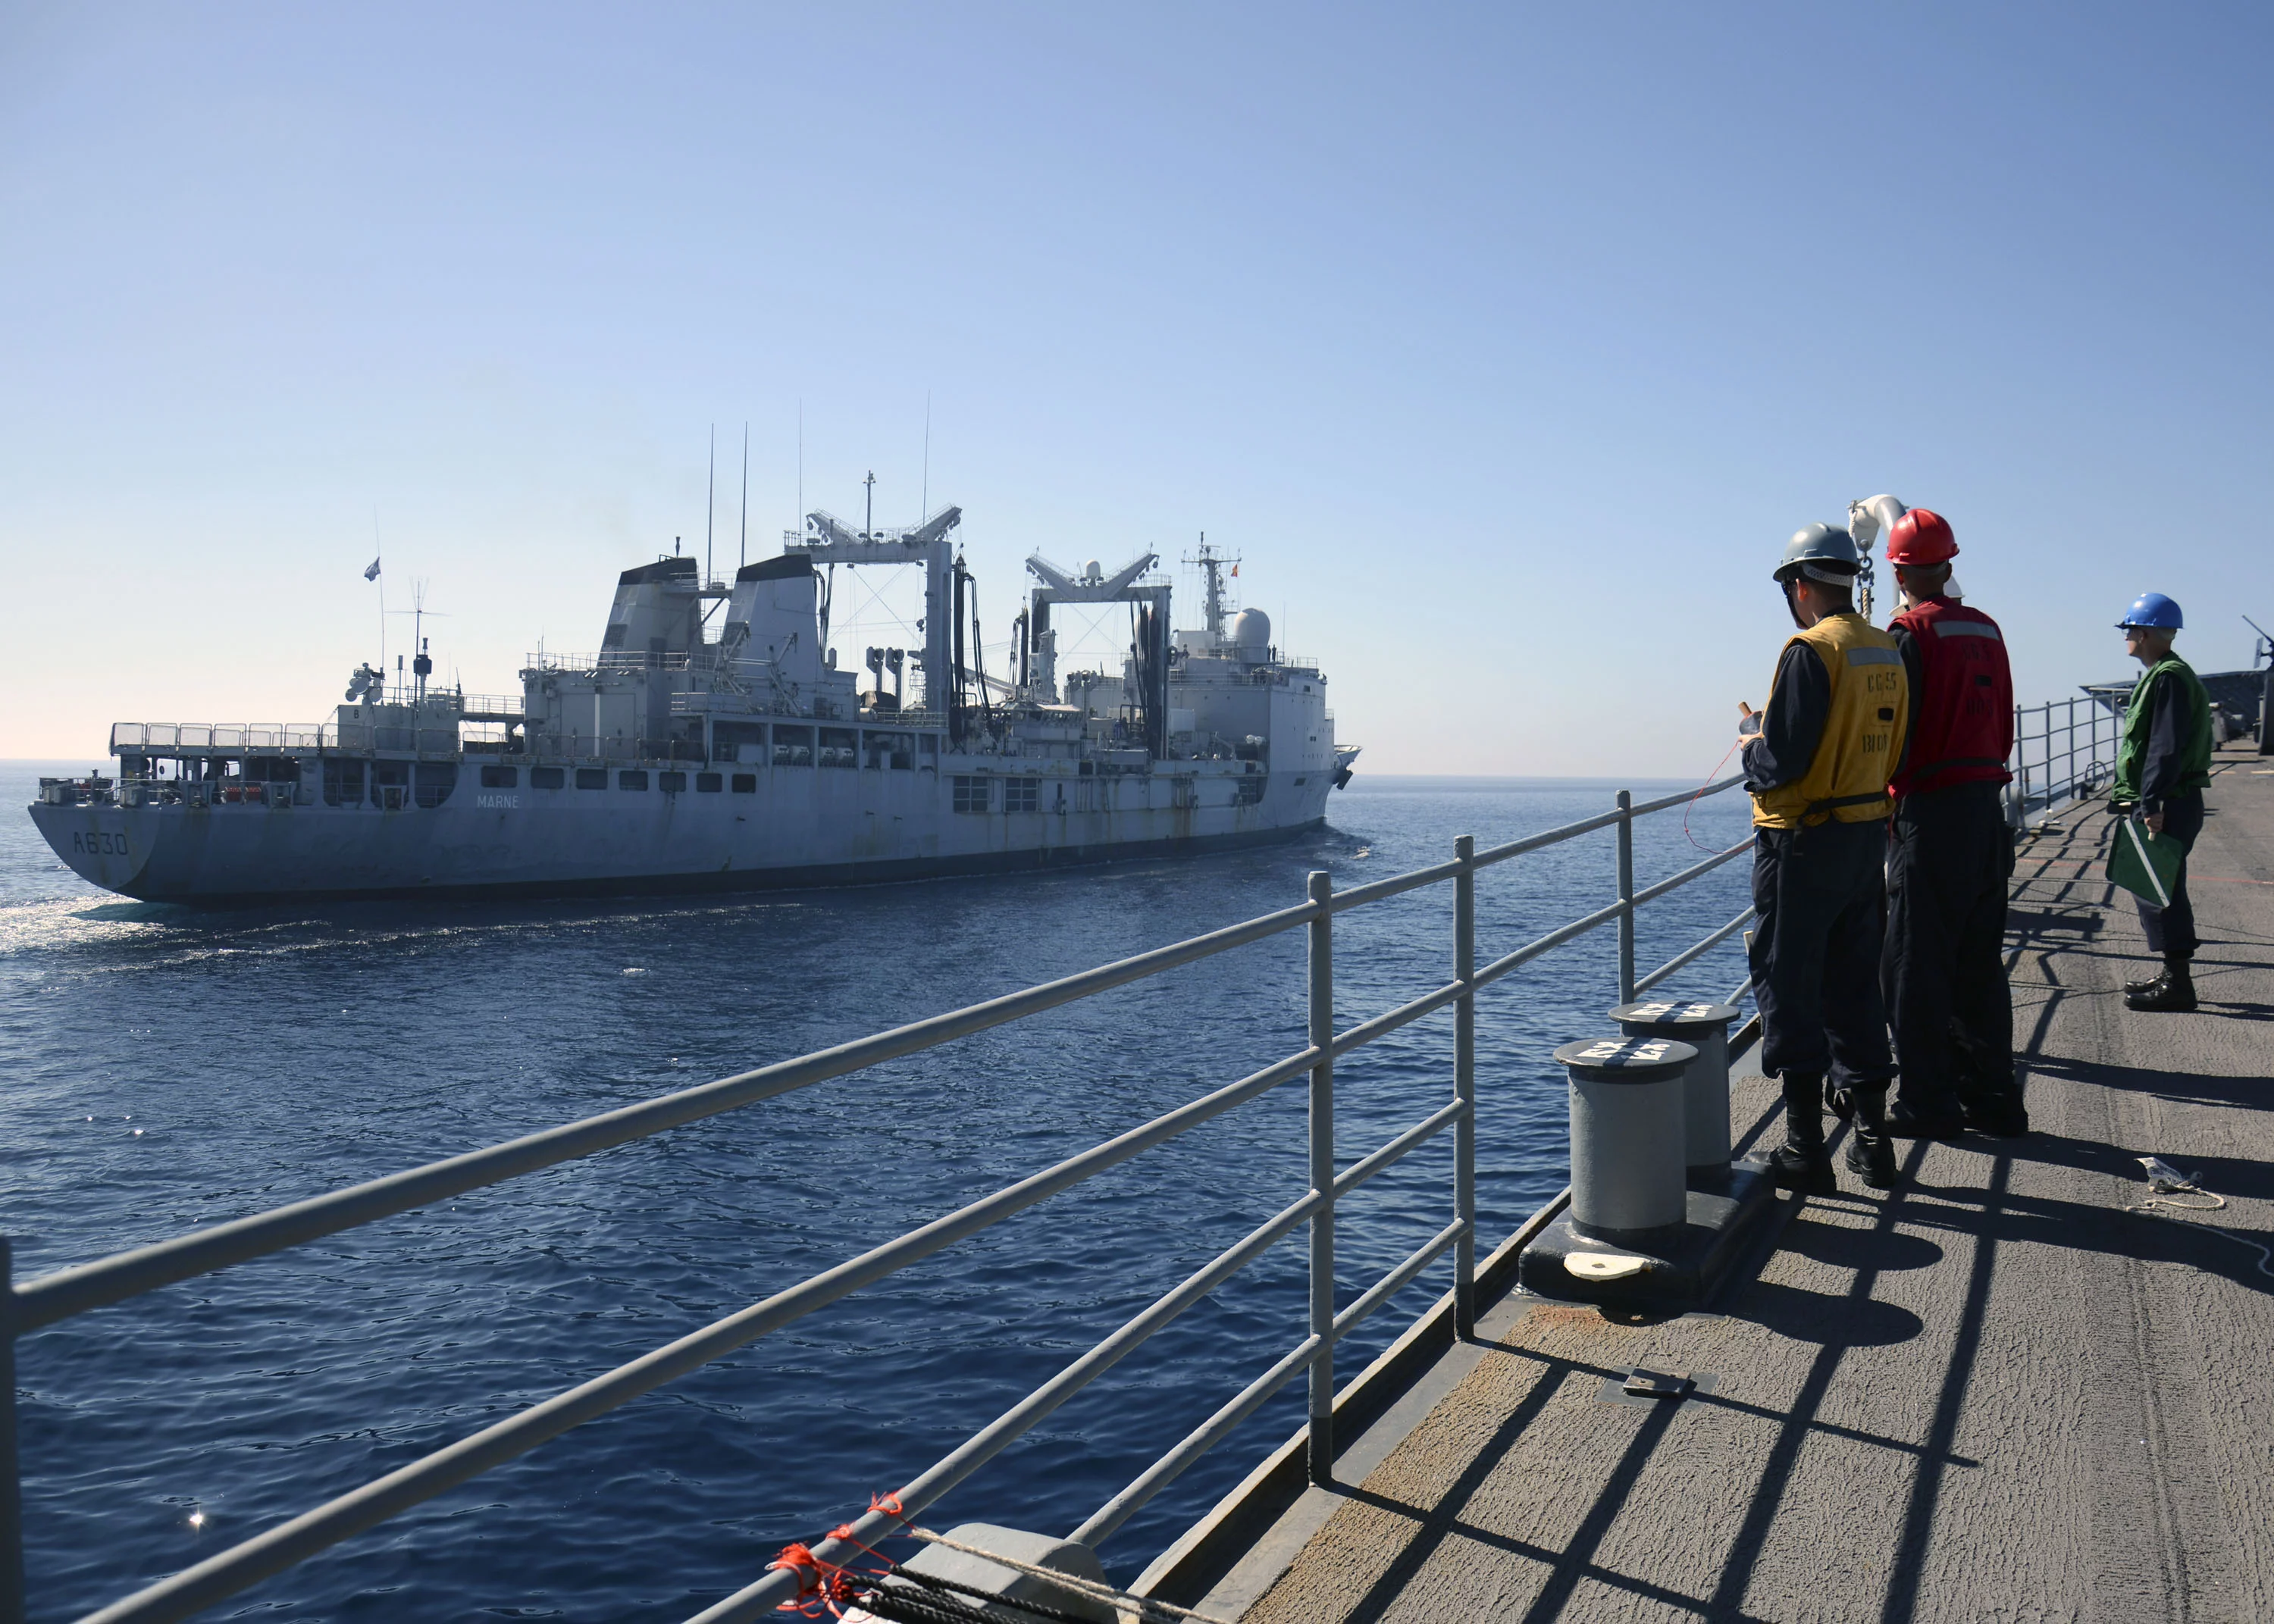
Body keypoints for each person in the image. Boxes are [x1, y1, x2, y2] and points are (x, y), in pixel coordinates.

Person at [1743, 523, 1911, 1191]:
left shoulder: (1811, 651)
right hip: (1864, 837)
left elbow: (1782, 758)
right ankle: (1873, 1144)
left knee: (1791, 984)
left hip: (1802, 841)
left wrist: (1754, 743)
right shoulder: (1885, 649)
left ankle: (1805, 1149)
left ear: (1800, 585)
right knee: (1855, 985)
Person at [1878, 508, 2026, 1137]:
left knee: (1913, 963)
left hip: (1931, 814)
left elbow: (1893, 733)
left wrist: (1885, 801)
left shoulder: (1909, 633)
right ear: (1949, 562)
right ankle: (1993, 1100)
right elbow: (2005, 721)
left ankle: (1927, 1103)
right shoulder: (1988, 630)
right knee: (1978, 963)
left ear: (1898, 570)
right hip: (1986, 811)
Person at [2110, 593, 2213, 1012]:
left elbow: (2163, 747)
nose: (2127, 638)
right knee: (2156, 885)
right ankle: (2174, 975)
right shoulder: (2167, 674)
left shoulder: (2167, 677)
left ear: (2147, 632)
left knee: (2161, 890)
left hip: (2167, 800)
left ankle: (2179, 986)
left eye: (2130, 631)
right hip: (2172, 797)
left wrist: (2151, 803)